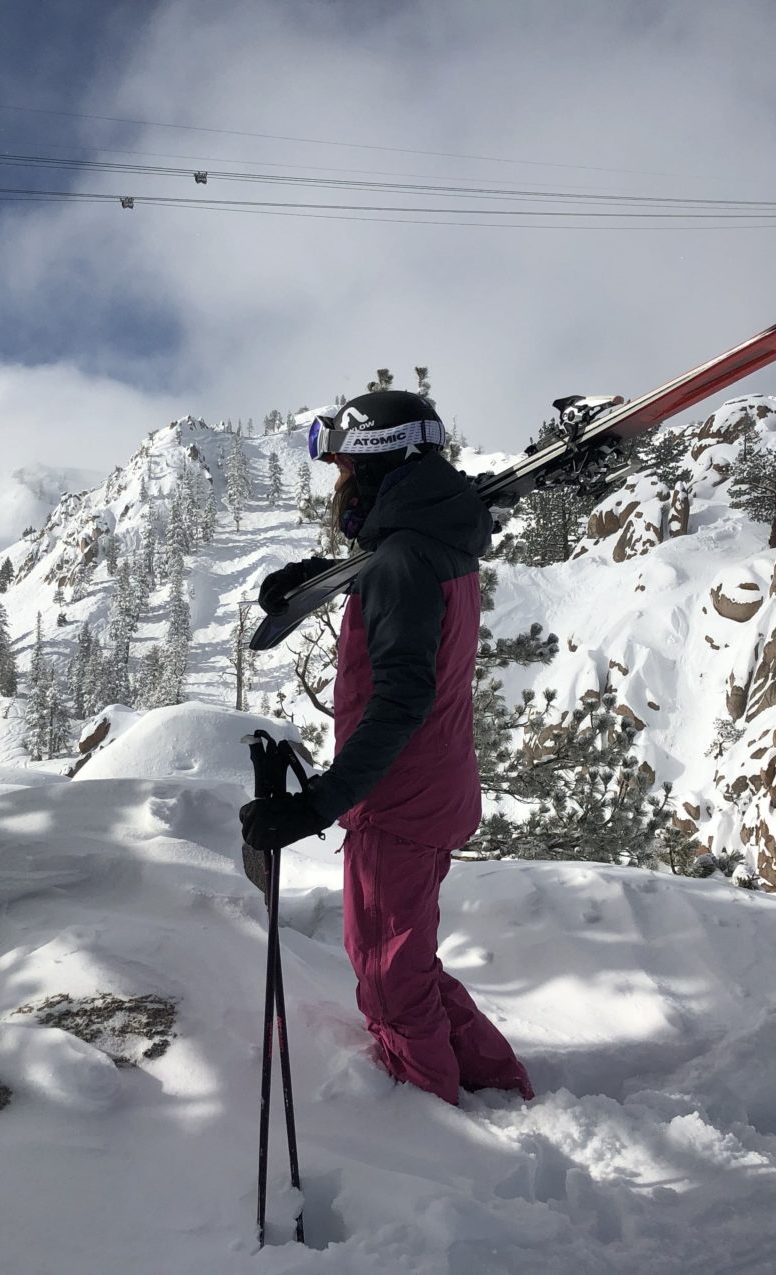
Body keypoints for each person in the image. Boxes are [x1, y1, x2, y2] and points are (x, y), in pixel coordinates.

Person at [240, 390, 534, 1105]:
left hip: (398, 802)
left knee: (386, 979)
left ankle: (430, 1120)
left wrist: (318, 805)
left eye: (344, 469)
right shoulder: (437, 541)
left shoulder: (403, 564)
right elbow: (395, 573)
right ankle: (495, 1078)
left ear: (377, 466)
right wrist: (324, 573)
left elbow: (401, 702)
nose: (339, 486)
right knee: (407, 960)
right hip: (438, 786)